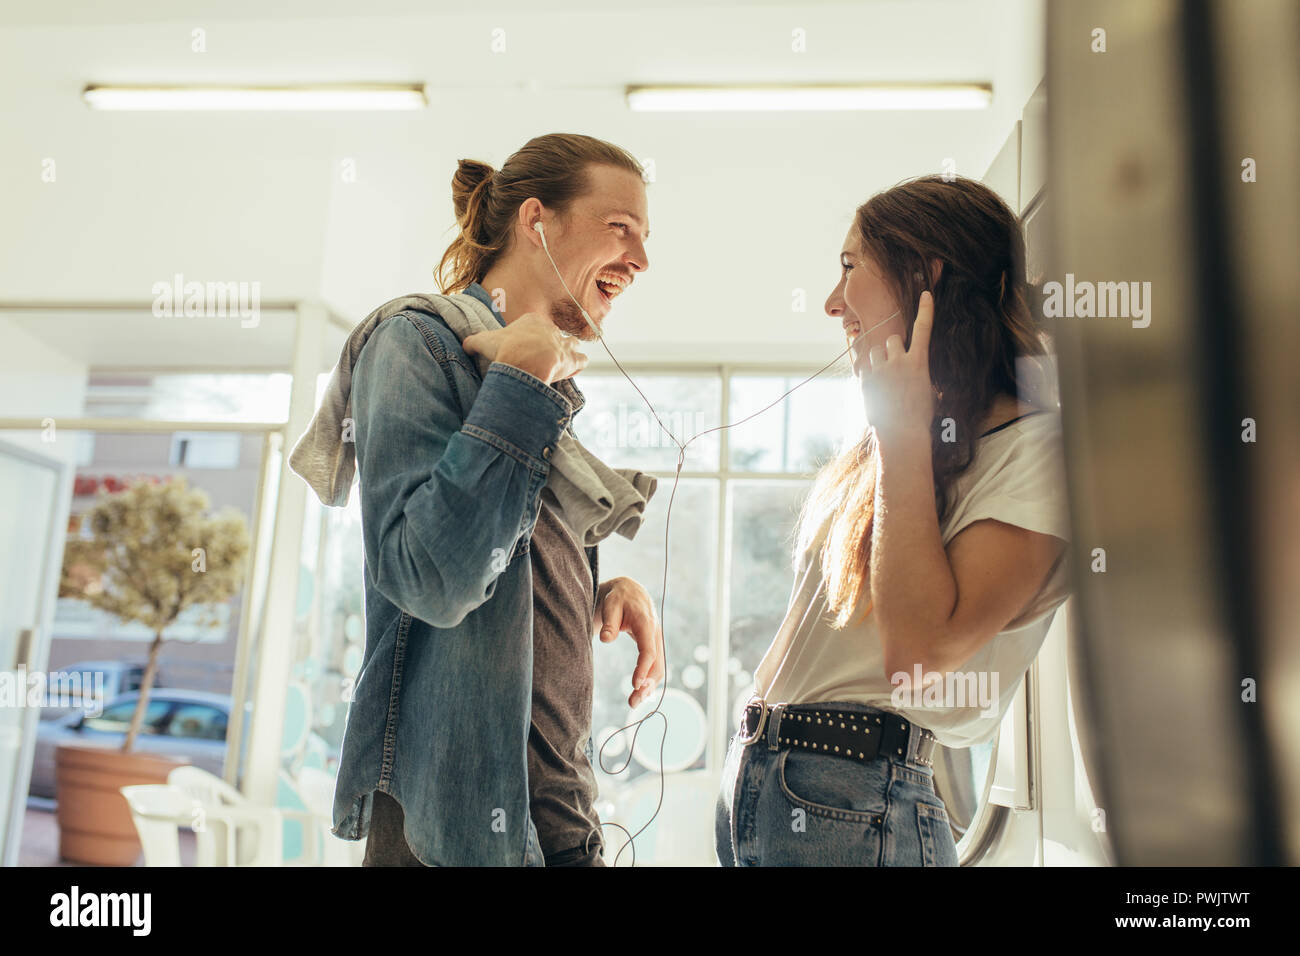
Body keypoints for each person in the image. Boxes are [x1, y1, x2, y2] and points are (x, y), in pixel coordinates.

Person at [292, 133, 664, 866]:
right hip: (454, 830)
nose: (641, 261)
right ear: (538, 221)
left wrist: (598, 586)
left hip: (556, 821)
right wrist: (520, 387)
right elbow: (430, 579)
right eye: (620, 229)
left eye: (645, 239)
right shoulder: (415, 342)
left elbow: (503, 560)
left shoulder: (540, 377)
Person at [715, 174, 1072, 867]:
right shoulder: (904, 443)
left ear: (926, 275)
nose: (831, 304)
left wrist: (901, 437)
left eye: (850, 268)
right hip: (776, 782)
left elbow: (916, 658)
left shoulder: (1037, 451)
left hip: (852, 795)